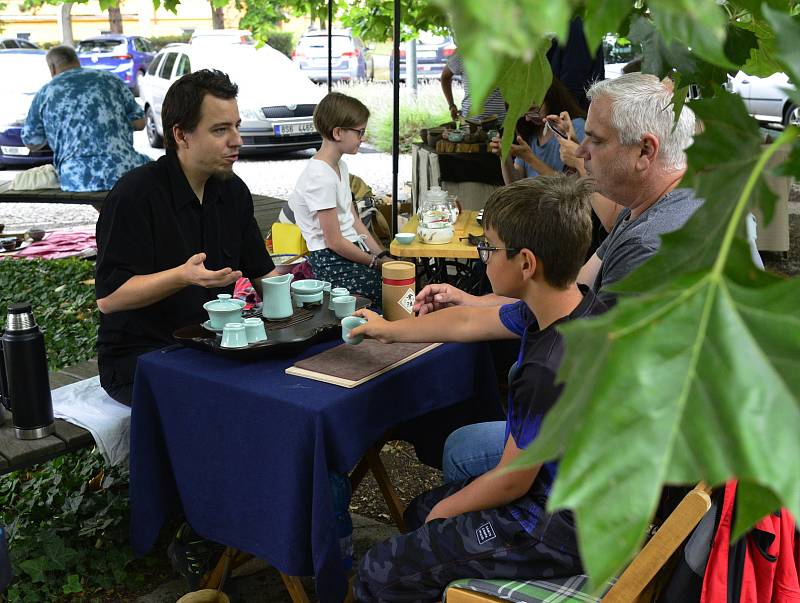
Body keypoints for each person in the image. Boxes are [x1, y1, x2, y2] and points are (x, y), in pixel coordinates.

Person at [415, 72, 702, 481]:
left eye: (597, 141)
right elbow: (572, 292)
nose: (582, 150)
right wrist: (476, 302)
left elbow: (574, 349)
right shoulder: (660, 206)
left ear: (645, 151)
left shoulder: (652, 248)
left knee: (461, 448)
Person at [352, 175, 607, 601]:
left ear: (526, 263)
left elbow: (510, 482)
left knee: (378, 571)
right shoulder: (570, 307)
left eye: (489, 247)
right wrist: (390, 330)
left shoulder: (547, 369)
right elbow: (469, 320)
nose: (483, 257)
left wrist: (443, 514)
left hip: (552, 529)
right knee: (418, 512)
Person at [95, 69, 280, 406]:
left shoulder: (233, 191)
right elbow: (110, 299)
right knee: (235, 404)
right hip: (143, 357)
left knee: (289, 387)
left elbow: (265, 276)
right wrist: (182, 276)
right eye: (220, 130)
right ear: (181, 135)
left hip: (214, 344)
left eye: (236, 126)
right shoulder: (135, 195)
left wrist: (308, 299)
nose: (237, 139)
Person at [288, 92, 389, 305]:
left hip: (349, 251)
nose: (363, 138)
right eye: (360, 132)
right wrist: (375, 263)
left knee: (397, 283)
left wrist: (383, 257)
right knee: (388, 293)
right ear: (338, 132)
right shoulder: (320, 176)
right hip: (331, 260)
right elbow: (333, 241)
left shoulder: (340, 166)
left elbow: (354, 221)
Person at [22, 45, 151, 192]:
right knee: (156, 169)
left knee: (105, 200)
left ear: (52, 68)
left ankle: (111, 214)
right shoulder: (110, 80)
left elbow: (32, 142)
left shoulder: (46, 93)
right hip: (123, 169)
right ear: (77, 61)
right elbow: (140, 123)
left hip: (76, 177)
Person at [489, 78, 586, 182]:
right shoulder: (530, 132)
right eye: (523, 113)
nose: (528, 118)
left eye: (532, 110)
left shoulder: (575, 128)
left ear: (550, 97)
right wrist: (505, 156)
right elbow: (514, 184)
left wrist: (529, 158)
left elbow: (571, 188)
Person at [441, 50, 507, 123]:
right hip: (471, 122)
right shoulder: (462, 54)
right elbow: (445, 77)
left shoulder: (504, 52)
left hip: (501, 121)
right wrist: (451, 105)